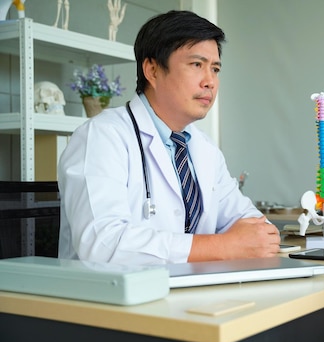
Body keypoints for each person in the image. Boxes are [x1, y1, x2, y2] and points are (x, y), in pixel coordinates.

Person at [57, 10, 280, 265]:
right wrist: (225, 246)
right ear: (152, 70)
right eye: (197, 65)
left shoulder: (204, 149)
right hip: (112, 299)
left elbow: (253, 225)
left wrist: (254, 239)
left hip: (191, 294)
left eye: (215, 69)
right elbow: (102, 244)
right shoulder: (102, 137)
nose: (210, 81)